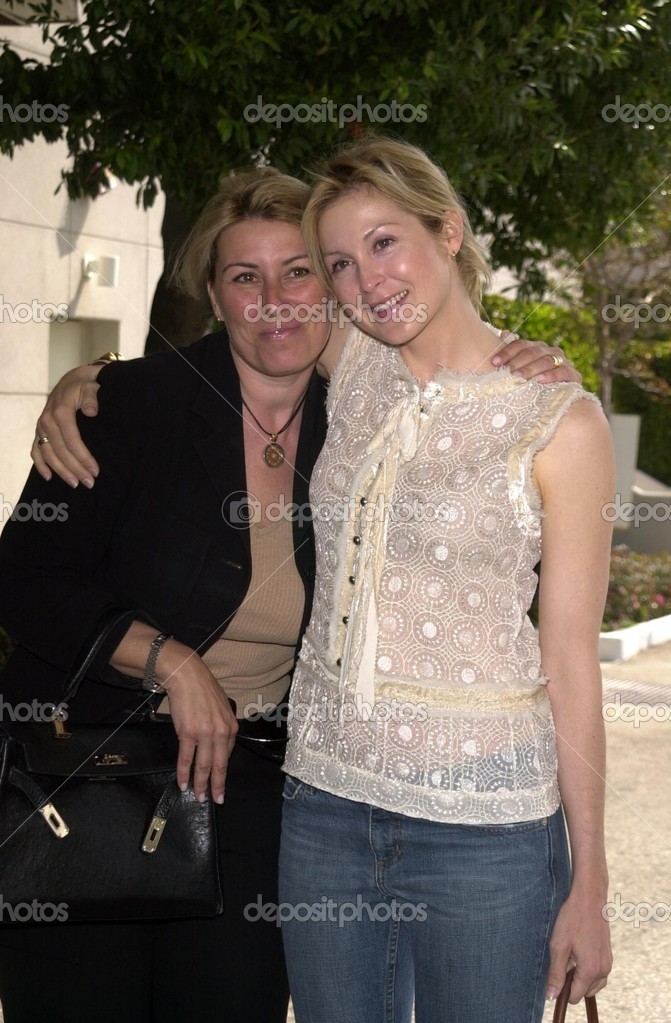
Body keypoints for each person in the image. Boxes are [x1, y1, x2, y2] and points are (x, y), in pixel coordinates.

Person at [13, 161, 578, 1023]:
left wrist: (530, 362)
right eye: (245, 277)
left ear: (333, 290)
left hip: (256, 793)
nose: (274, 299)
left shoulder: (362, 410)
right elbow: (24, 579)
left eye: (300, 271)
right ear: (214, 293)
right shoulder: (126, 406)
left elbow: (466, 382)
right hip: (90, 777)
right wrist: (170, 662)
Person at [277, 137, 614, 1023]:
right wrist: (90, 381)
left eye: (384, 242)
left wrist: (589, 881)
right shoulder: (348, 359)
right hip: (323, 803)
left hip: (487, 827)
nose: (366, 282)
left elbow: (570, 658)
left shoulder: (560, 421)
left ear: (449, 231)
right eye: (339, 264)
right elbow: (223, 338)